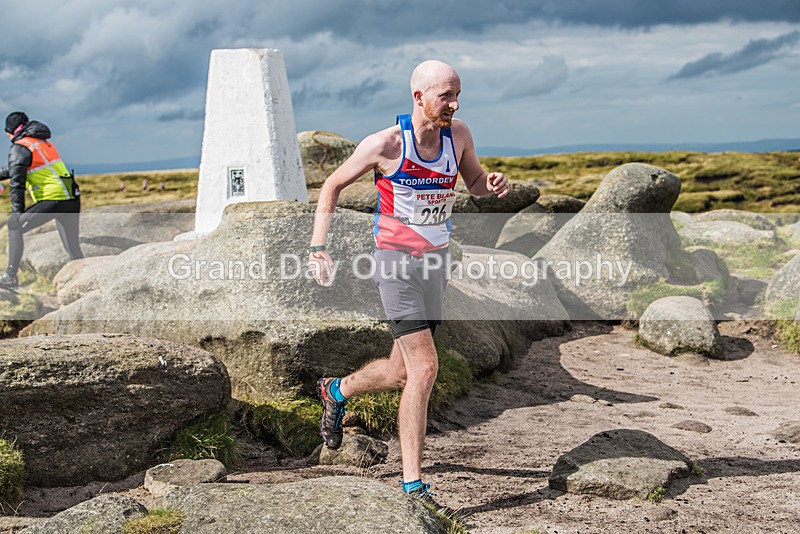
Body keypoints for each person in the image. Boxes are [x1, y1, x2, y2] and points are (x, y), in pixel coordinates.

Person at [308, 60, 509, 501]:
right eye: (446, 97)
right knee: (426, 367)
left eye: (457, 95)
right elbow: (331, 185)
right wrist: (318, 247)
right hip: (396, 264)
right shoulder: (385, 144)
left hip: (435, 265)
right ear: (419, 97)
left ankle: (336, 389)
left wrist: (489, 183)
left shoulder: (459, 136)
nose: (454, 105)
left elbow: (472, 181)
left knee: (401, 372)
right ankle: (412, 484)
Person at [0, 112, 83, 290]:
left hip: (53, 199)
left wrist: (17, 213)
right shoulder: (40, 142)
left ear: (11, 131)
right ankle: (83, 283)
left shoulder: (20, 146)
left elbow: (17, 183)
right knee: (74, 251)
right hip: (70, 197)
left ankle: (10, 276)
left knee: (14, 225)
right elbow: (18, 168)